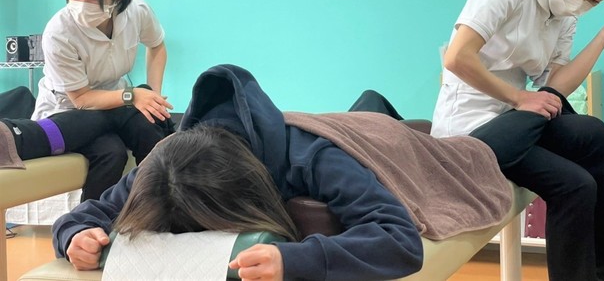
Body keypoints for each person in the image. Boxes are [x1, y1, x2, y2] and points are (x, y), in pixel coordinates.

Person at [52, 64, 515, 281]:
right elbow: (84, 216)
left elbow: (399, 239)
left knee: (480, 144)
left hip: (386, 142)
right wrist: (74, 236)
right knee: (365, 105)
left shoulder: (312, 158)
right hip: (331, 126)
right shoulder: (166, 167)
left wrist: (295, 260)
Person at [430, 0, 604, 281]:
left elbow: (555, 88)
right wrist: (518, 98)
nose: (580, 4)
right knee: (576, 184)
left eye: (595, 1)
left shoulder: (565, 17)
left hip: (516, 123)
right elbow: (457, 58)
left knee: (594, 132)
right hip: (469, 131)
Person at [28, 0, 173, 201]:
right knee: (111, 153)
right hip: (70, 111)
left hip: (117, 102)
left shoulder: (137, 11)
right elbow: (81, 99)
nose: (82, 2)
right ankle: (90, 220)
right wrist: (132, 96)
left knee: (150, 132)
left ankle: (158, 207)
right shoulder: (59, 32)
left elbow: (157, 46)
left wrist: (153, 95)